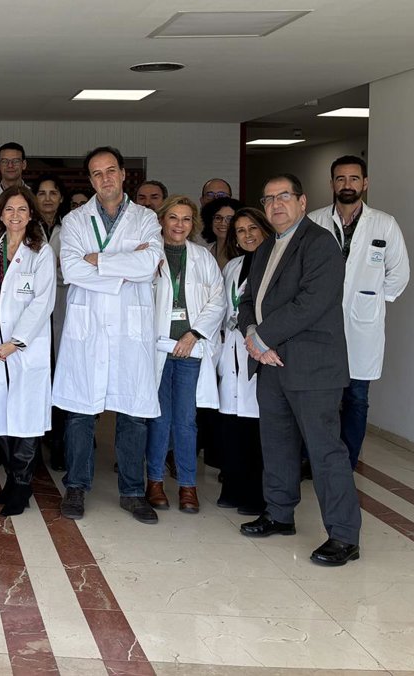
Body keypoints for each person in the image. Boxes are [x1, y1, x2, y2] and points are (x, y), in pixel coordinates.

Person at [239, 174, 361, 566]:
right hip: (271, 364)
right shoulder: (266, 247)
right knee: (276, 443)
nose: (276, 204)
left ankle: (344, 535)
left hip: (312, 366)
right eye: (268, 198)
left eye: (284, 196)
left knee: (325, 451)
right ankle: (279, 513)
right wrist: (252, 334)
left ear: (302, 202)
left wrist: (263, 337)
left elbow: (312, 302)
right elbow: (248, 300)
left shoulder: (320, 243)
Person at [53, 147, 163, 524]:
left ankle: (132, 492)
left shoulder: (146, 218)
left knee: (133, 415)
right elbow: (71, 270)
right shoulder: (74, 220)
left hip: (131, 329)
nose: (105, 179)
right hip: (88, 329)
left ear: (124, 174)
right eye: (97, 173)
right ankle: (76, 486)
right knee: (80, 414)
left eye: (111, 170)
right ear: (90, 180)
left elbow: (149, 265)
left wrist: (98, 260)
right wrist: (124, 268)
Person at [307, 156, 410, 469]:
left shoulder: (384, 224)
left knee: (356, 397)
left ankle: (346, 462)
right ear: (332, 184)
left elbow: (399, 273)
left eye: (354, 178)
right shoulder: (314, 221)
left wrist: (374, 299)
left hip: (363, 325)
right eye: (340, 179)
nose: (347, 184)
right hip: (319, 324)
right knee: (320, 398)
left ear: (365, 183)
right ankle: (316, 459)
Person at [0, 186, 56, 516]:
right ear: (0, 214)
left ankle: (22, 485)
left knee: (25, 420)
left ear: (31, 215)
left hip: (24, 352)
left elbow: (43, 302)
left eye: (21, 210)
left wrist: (15, 343)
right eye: (9, 209)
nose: (15, 215)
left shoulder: (41, 252)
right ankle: (11, 482)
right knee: (0, 420)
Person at [144, 196, 225, 514]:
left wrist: (194, 334)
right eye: (173, 218)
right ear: (162, 220)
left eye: (186, 219)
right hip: (157, 348)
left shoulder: (203, 257)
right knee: (159, 419)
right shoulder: (148, 254)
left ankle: (188, 485)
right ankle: (154, 481)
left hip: (190, 349)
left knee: (186, 421)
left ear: (194, 224)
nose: (179, 224)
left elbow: (218, 300)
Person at [216, 207, 273, 515]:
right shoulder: (233, 266)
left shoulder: (275, 264)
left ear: (264, 229)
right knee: (232, 424)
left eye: (252, 228)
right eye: (240, 230)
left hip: (261, 351)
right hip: (232, 351)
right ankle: (233, 488)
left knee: (257, 427)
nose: (247, 235)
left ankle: (257, 495)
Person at [35, 176, 69, 469]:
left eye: (53, 193)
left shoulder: (70, 226)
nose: (47, 198)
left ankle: (58, 444)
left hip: (62, 307)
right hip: (32, 310)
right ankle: (32, 447)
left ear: (61, 198)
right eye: (42, 193)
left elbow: (75, 268)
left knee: (60, 377)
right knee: (35, 378)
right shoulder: (26, 226)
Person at [201, 197, 239, 269]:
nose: (223, 223)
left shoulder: (243, 253)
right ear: (210, 221)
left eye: (229, 219)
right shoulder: (204, 252)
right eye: (218, 218)